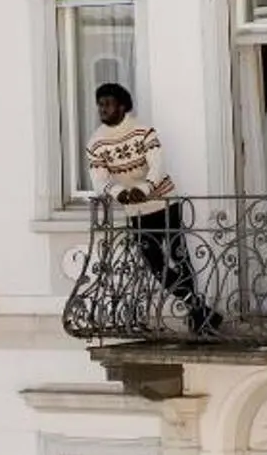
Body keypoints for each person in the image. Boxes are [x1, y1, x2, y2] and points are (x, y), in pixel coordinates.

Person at [86, 82, 219, 337]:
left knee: (180, 258)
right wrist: (119, 192)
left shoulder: (143, 131)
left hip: (164, 203)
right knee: (155, 265)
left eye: (108, 104)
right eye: (100, 104)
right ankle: (199, 309)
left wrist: (144, 188)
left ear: (122, 106)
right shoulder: (96, 142)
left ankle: (198, 316)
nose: (102, 109)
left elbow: (157, 166)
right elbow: (99, 181)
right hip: (136, 212)